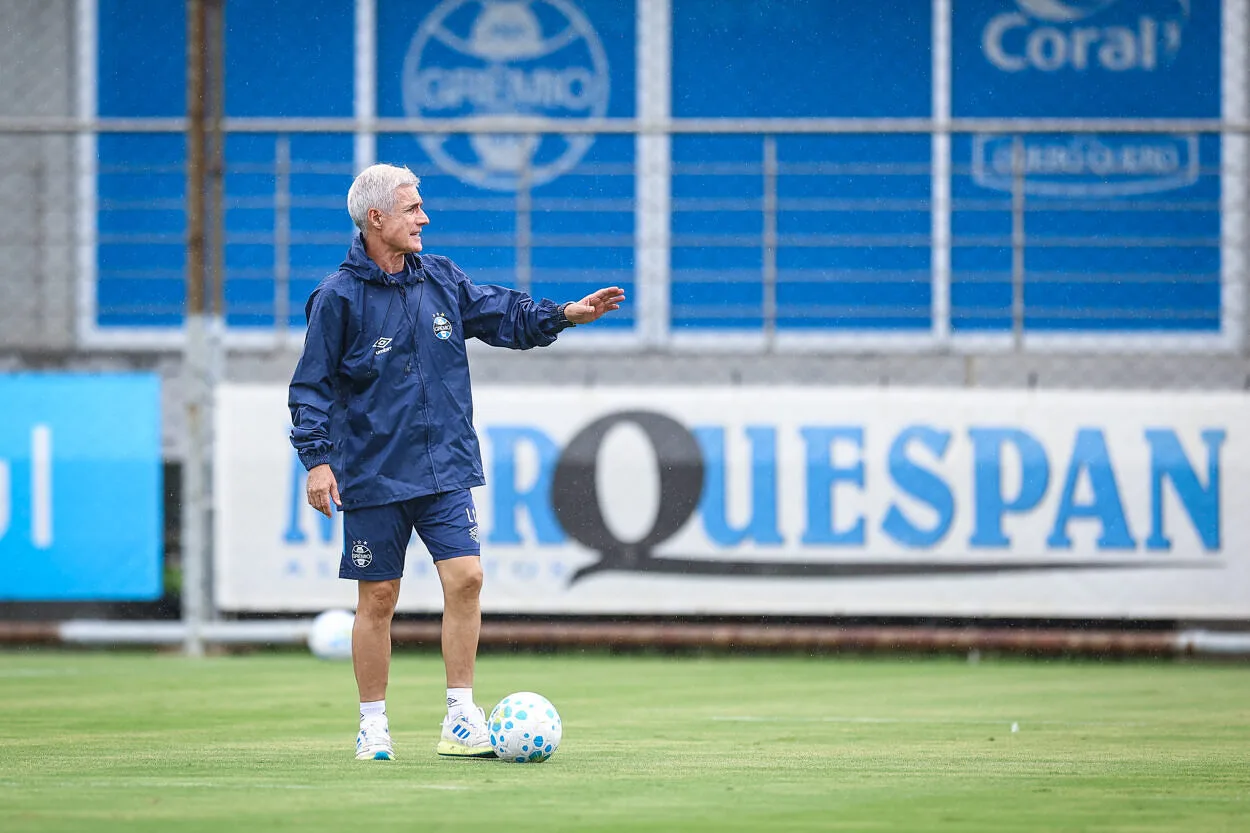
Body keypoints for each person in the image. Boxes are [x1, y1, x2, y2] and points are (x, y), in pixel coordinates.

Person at [288, 163, 625, 761]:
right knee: (379, 599)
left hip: (444, 466)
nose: (425, 218)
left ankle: (462, 716)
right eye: (413, 208)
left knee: (467, 579)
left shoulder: (440, 278)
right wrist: (317, 461)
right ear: (377, 218)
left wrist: (564, 316)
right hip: (371, 472)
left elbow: (503, 314)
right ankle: (373, 724)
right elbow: (310, 388)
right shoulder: (337, 298)